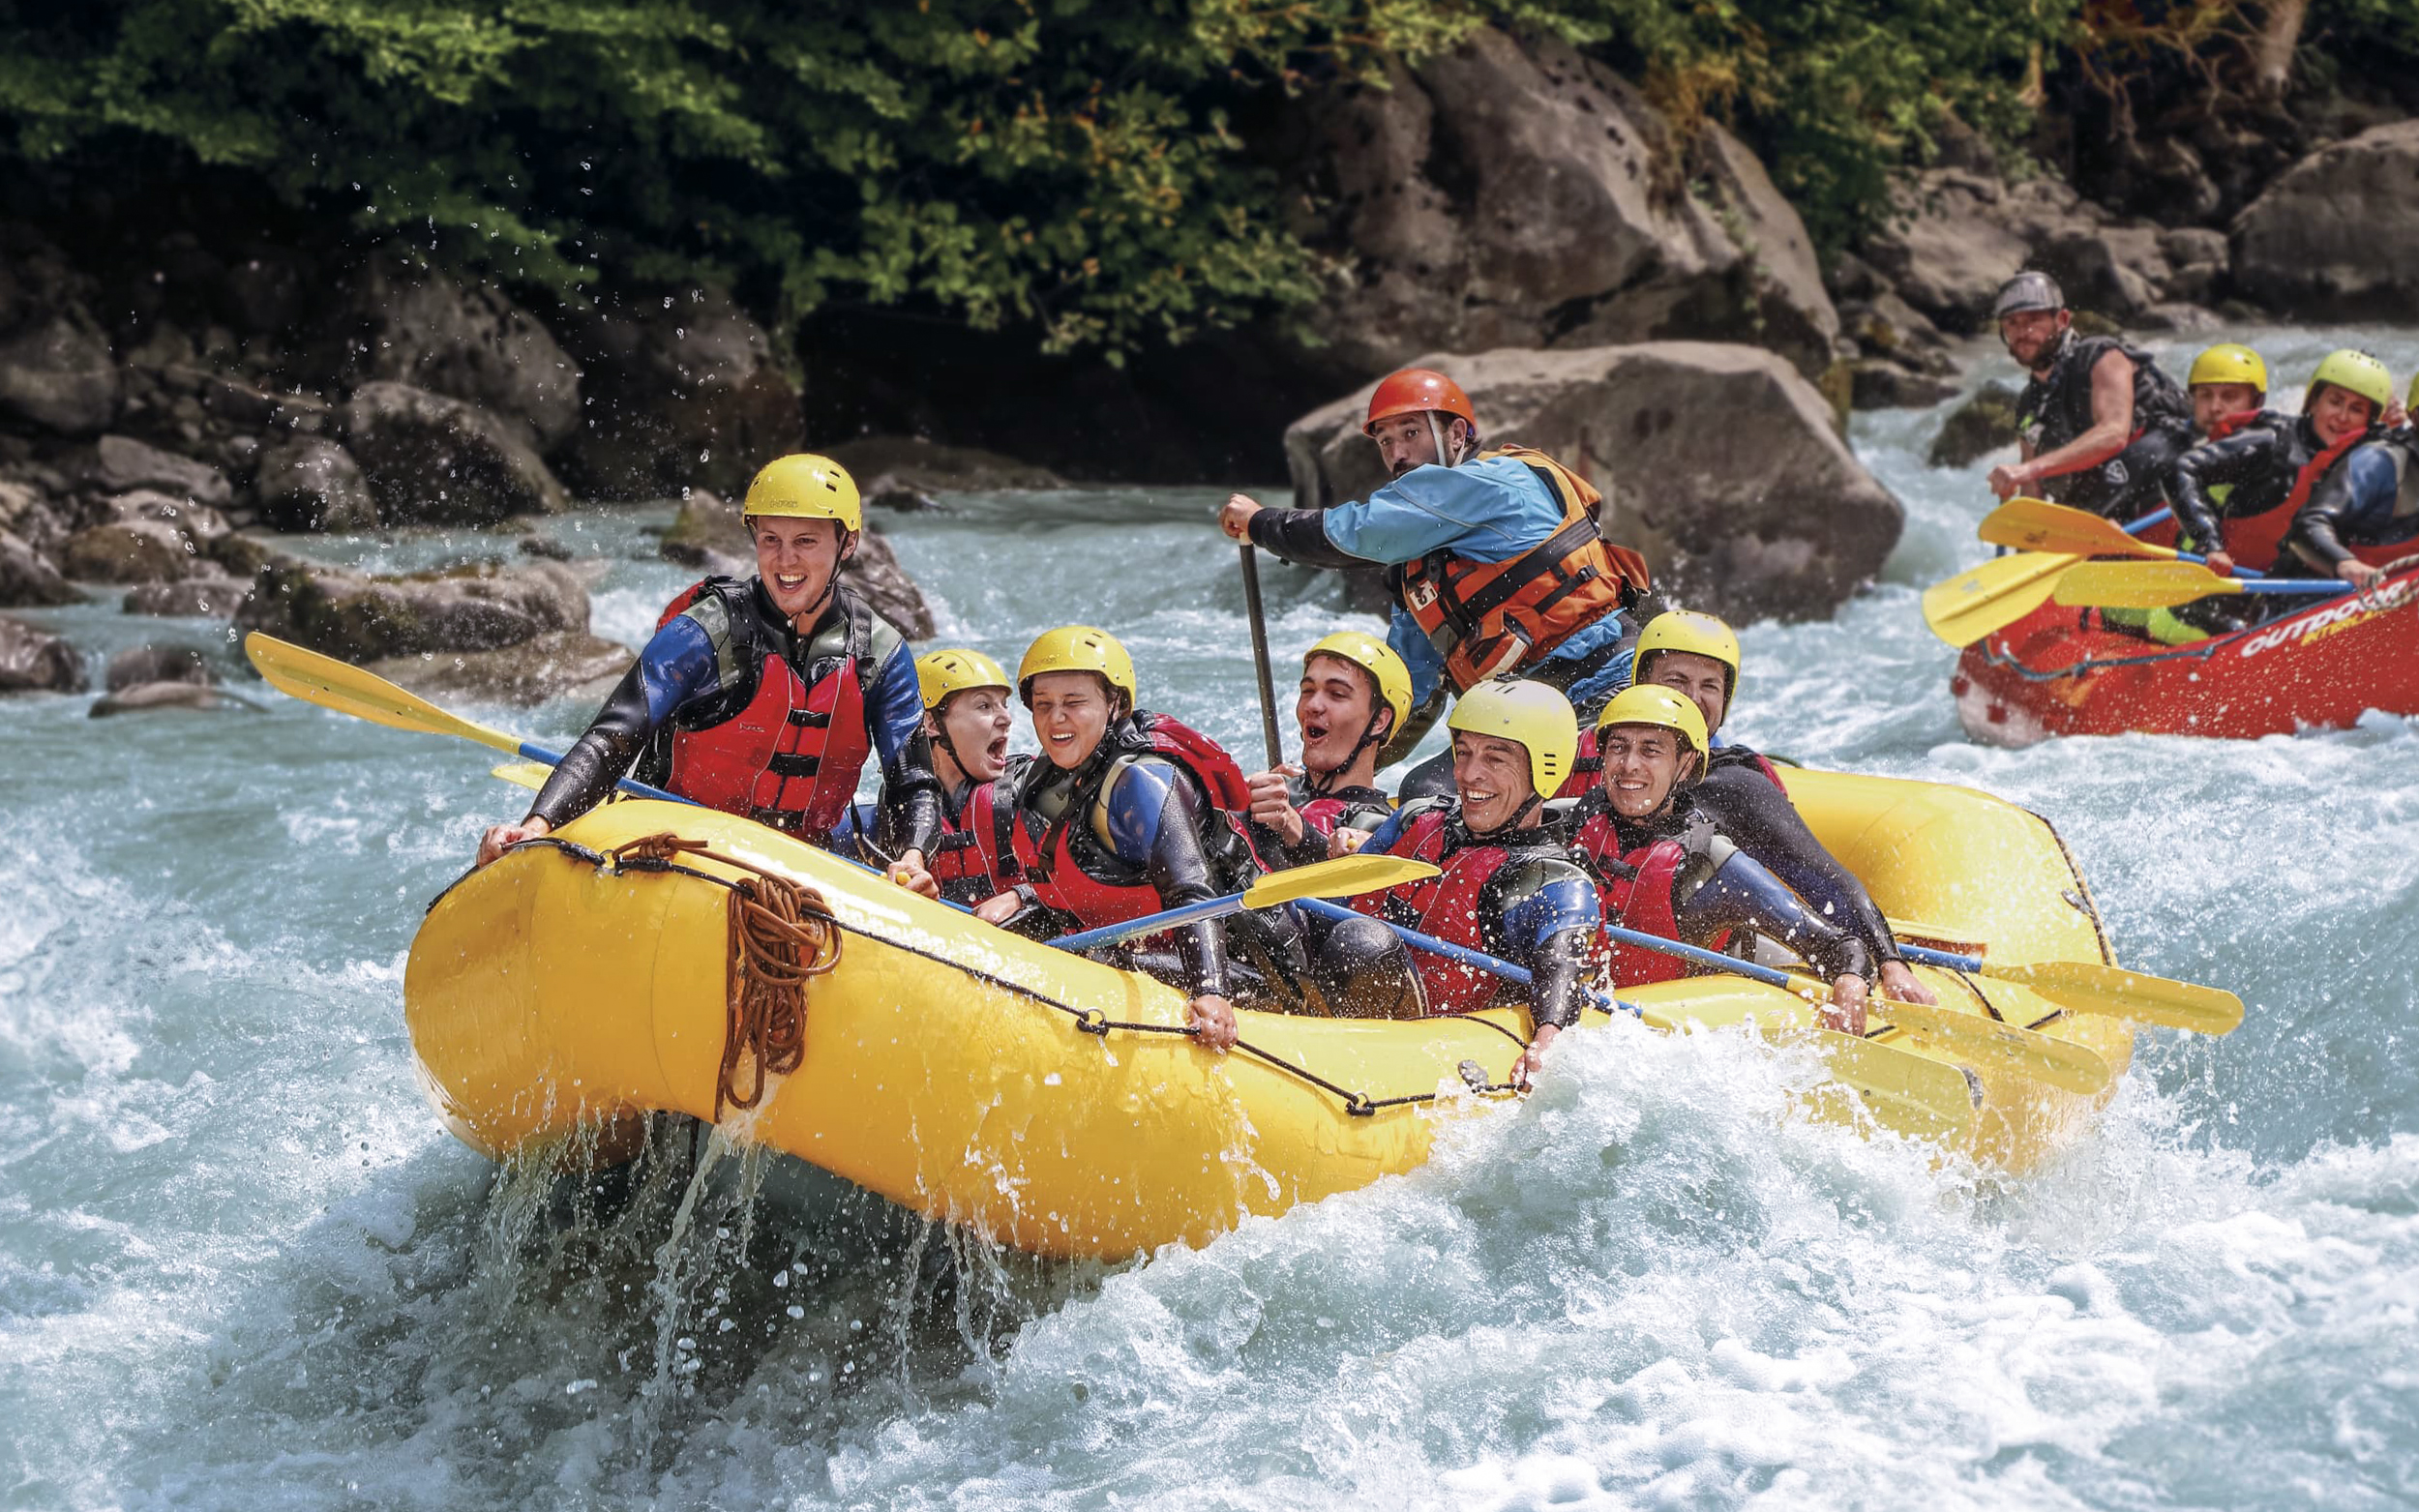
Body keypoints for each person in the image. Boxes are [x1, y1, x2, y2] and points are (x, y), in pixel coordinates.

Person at [475, 454, 941, 896]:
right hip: (680, 847)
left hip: (804, 862)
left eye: (806, 542)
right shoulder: (706, 631)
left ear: (848, 543)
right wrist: (538, 824)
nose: (785, 561)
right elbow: (613, 737)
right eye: (770, 539)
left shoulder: (879, 655)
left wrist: (913, 858)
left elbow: (913, 782)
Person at [1215, 368, 1655, 786]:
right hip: (1524, 715)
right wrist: (1334, 773)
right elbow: (1412, 694)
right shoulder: (1419, 570)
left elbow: (1355, 533)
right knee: (1423, 791)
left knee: (1437, 791)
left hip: (1605, 688)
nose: (1399, 453)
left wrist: (1262, 523)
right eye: (1386, 442)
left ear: (1457, 435)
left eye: (1411, 433)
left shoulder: (1491, 483)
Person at [1568, 610, 1936, 1006]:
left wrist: (1888, 961)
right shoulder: (1575, 752)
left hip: (1718, 950)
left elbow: (1822, 879)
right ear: (1641, 681)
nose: (1692, 697)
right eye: (1676, 680)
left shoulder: (1734, 788)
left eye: (1709, 685)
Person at [967, 626, 1273, 1051]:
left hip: (1241, 964)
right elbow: (1091, 872)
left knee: (1089, 959)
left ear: (1114, 705)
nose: (1056, 718)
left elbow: (1191, 893)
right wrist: (1024, 895)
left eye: (1074, 703)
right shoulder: (1049, 779)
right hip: (1136, 948)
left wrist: (1210, 990)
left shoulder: (1142, 783)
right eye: (1043, 705)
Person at [1316, 679, 1600, 1087]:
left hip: (1423, 1030)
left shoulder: (1553, 881)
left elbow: (1561, 965)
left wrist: (1548, 1036)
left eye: (1495, 759)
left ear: (1545, 768)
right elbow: (1340, 892)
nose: (1468, 775)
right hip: (1340, 984)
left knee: (1362, 943)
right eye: (1463, 753)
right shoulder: (1418, 817)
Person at [1559, 685, 1872, 1034]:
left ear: (1686, 763)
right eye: (1618, 748)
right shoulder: (1583, 817)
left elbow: (1839, 946)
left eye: (1651, 750)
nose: (1629, 765)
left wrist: (1850, 980)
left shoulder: (1711, 865)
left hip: (1660, 1038)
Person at [2162, 348, 2393, 633]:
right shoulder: (2270, 440)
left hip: (2271, 595)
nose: (2342, 417)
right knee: (2239, 630)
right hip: (2201, 589)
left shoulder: (2368, 465)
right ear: (2314, 401)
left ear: (2368, 423)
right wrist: (2209, 543)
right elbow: (2180, 469)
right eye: (2335, 401)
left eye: (2356, 409)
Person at [1987, 272, 2194, 521]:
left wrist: (2026, 470)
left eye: (2034, 319)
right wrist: (2026, 549)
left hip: (2161, 493)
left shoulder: (2101, 356)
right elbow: (2032, 490)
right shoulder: (2029, 403)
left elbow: (2114, 435)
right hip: (2103, 516)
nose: (2023, 331)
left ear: (2062, 319)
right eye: (2012, 323)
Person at [833, 648, 1027, 905]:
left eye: (1004, 705)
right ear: (932, 724)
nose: (1007, 718)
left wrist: (1021, 897)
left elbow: (1094, 871)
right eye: (984, 706)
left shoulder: (1028, 793)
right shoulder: (892, 816)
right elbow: (802, 840)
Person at [1242, 630, 1408, 870]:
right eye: (1307, 691)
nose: (1312, 705)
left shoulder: (1379, 826)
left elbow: (1355, 877)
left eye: (1337, 694)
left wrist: (1294, 828)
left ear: (1379, 721)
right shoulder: (1282, 787)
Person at [2286, 371, 2419, 592]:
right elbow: (2309, 524)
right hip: (2316, 600)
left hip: (2397, 599)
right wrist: (2345, 563)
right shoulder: (2378, 462)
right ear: (2414, 416)